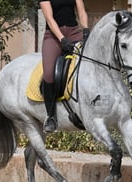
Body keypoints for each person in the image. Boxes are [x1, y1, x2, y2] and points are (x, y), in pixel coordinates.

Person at [39, 0, 89, 133]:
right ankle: (51, 117)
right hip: (53, 36)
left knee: (90, 62)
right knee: (49, 74)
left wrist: (85, 29)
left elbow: (82, 11)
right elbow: (49, 18)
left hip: (74, 32)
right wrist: (61, 39)